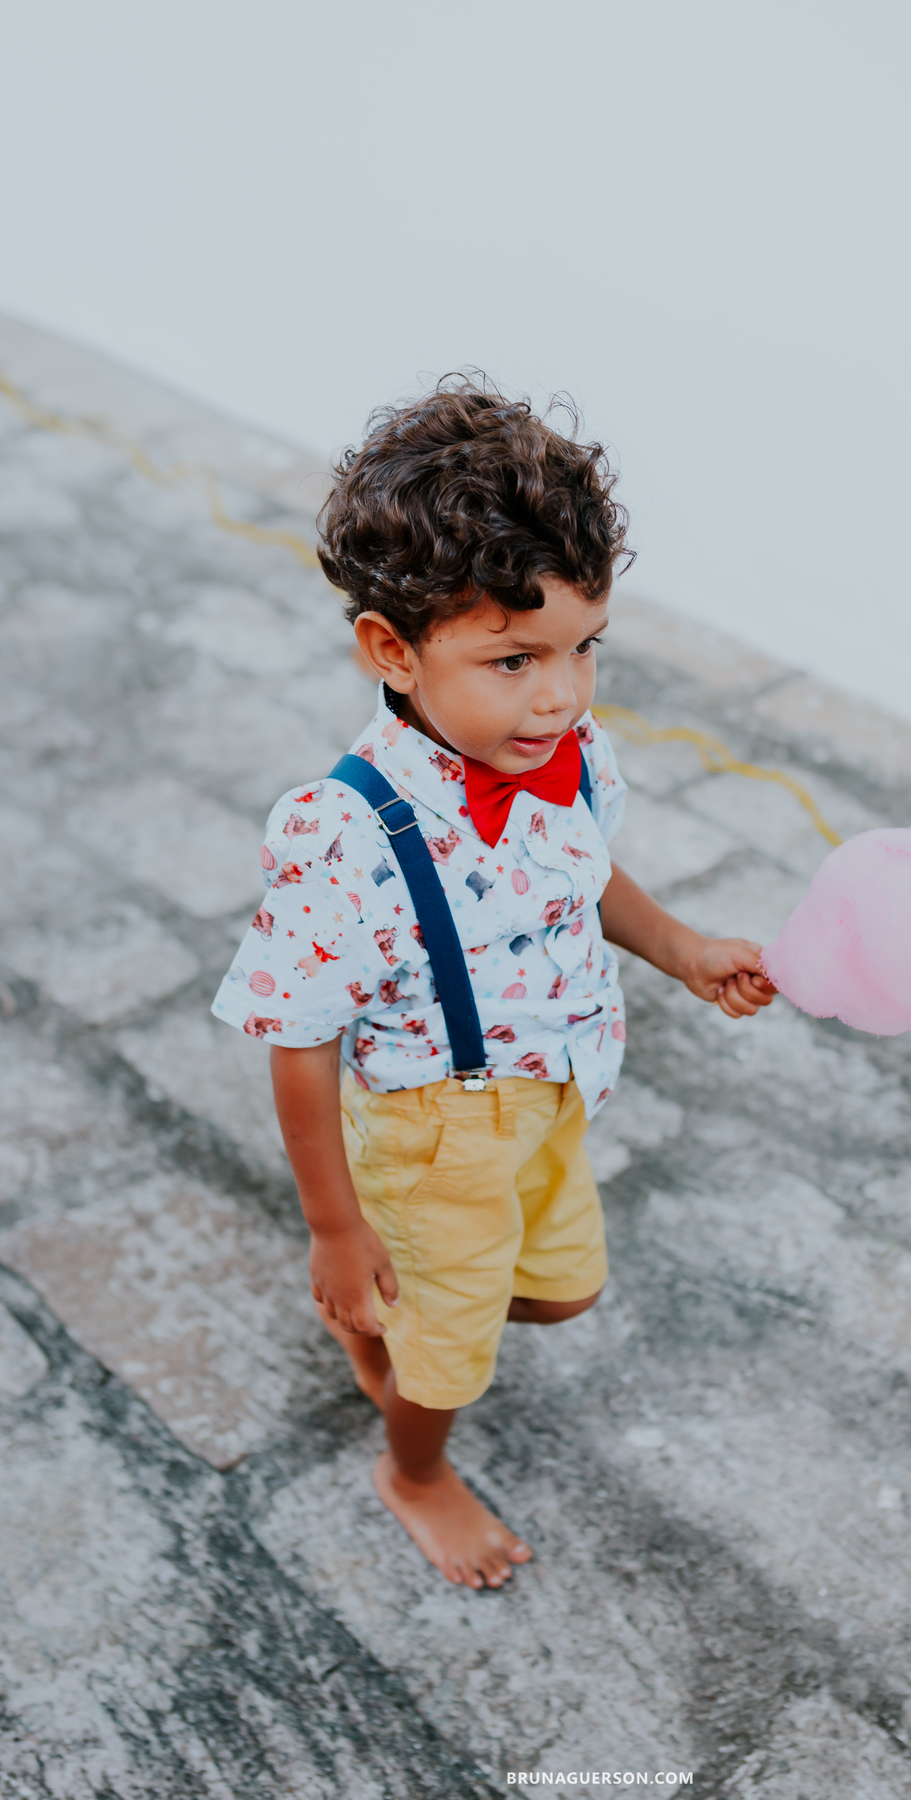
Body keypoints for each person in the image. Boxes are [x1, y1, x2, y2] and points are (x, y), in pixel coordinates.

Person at [213, 380, 775, 1590]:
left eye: (584, 649)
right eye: (515, 659)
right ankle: (414, 1469)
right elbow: (298, 1039)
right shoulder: (343, 836)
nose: (563, 693)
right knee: (447, 1364)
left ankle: (398, 1321)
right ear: (391, 650)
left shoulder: (563, 754)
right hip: (431, 1132)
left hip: (556, 1088)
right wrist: (334, 1223)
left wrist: (680, 949)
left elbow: (583, 877)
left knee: (563, 1293)